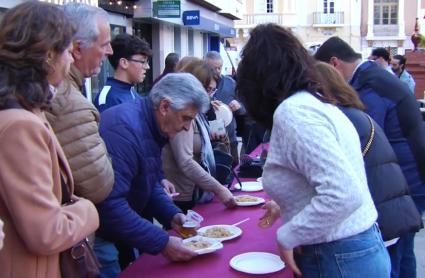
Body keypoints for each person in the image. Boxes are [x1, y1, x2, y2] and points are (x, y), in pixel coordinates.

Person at [237, 23, 390, 277]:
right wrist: (288, 206)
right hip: (352, 250)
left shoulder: (294, 112)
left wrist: (289, 235)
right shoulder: (315, 103)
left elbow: (343, 193)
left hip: (337, 255)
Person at [0, 2, 99, 277]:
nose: (69, 62)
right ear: (47, 55)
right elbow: (46, 232)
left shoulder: (21, 113)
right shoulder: (19, 125)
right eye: (68, 51)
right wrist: (88, 210)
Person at [315, 36, 425, 278]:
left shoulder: (368, 85)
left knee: (394, 253)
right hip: (409, 175)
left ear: (334, 64)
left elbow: (363, 141)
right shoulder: (373, 77)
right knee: (405, 250)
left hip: (404, 180)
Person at [96, 73, 210, 276]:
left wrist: (171, 214)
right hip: (100, 235)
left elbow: (147, 182)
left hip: (115, 228)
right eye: (186, 118)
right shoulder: (125, 130)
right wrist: (163, 242)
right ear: (165, 107)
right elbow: (110, 204)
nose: (186, 127)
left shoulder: (149, 125)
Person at [45, 2, 114, 205]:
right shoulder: (69, 103)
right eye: (104, 44)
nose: (110, 51)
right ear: (76, 49)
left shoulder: (61, 92)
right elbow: (99, 184)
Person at [162, 59, 236, 212]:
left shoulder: (197, 111)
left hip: (195, 190)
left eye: (212, 91)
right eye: (208, 90)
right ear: (195, 84)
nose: (210, 95)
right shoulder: (182, 112)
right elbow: (185, 161)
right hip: (182, 194)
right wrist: (219, 189)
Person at [205, 51, 246, 166]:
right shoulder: (200, 84)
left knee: (232, 174)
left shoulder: (231, 83)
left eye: (220, 67)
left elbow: (244, 109)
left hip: (230, 139)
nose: (218, 71)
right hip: (209, 140)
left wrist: (238, 106)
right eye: (214, 68)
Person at [94, 33, 152, 113]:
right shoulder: (108, 99)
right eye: (143, 62)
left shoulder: (130, 90)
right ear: (124, 63)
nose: (147, 67)